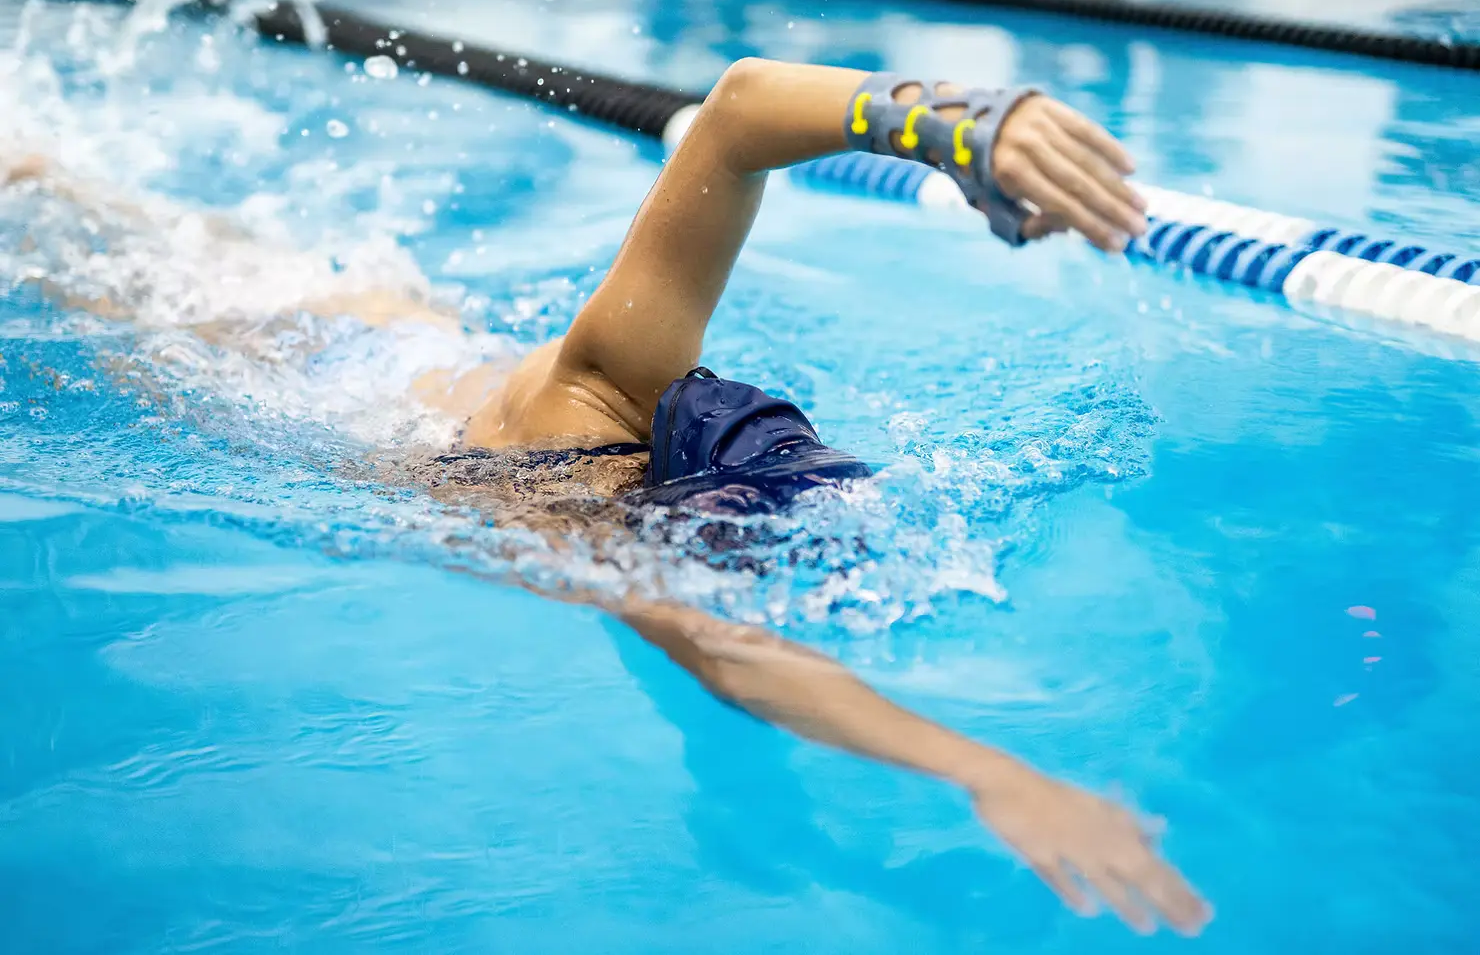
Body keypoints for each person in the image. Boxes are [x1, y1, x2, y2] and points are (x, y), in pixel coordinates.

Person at [5, 59, 1208, 935]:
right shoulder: (591, 416)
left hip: (399, 342)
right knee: (114, 265)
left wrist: (961, 133)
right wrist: (955, 125)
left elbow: (737, 649)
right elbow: (734, 112)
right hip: (258, 357)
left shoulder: (620, 423)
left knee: (152, 232)